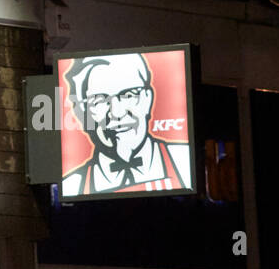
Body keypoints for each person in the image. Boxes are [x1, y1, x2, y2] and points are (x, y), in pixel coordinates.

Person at [60, 52, 191, 196]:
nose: (117, 113)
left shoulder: (184, 161)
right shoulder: (71, 185)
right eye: (100, 101)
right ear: (84, 113)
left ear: (147, 99)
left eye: (129, 95)